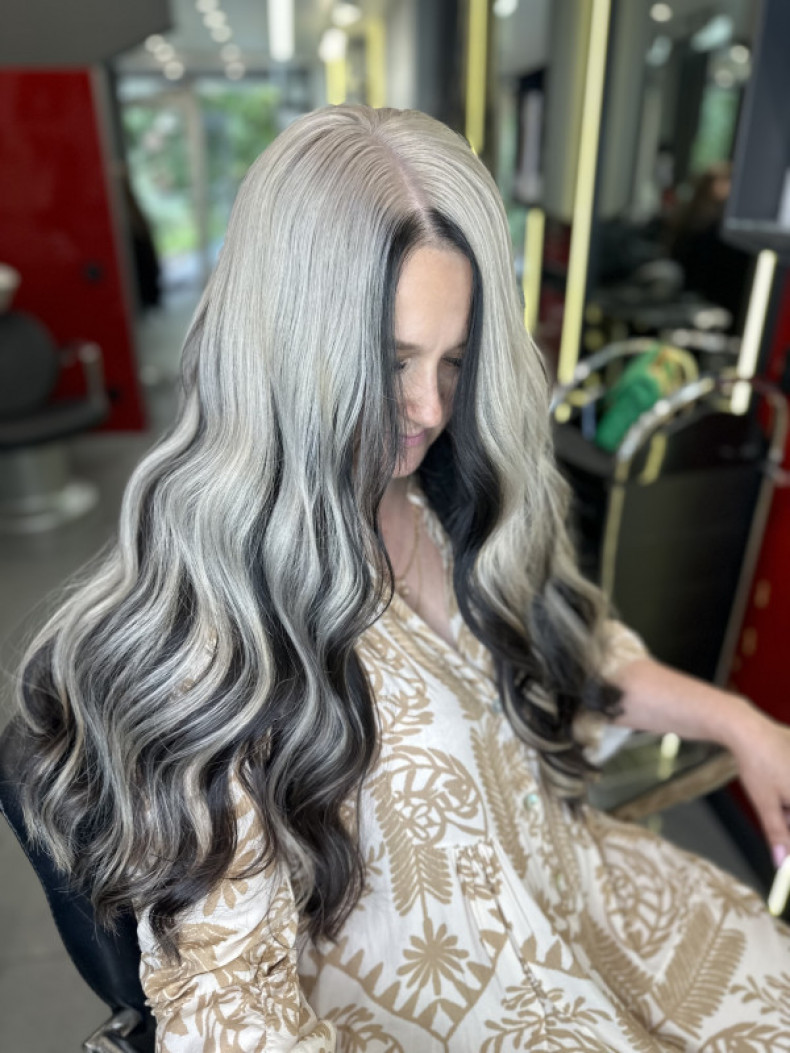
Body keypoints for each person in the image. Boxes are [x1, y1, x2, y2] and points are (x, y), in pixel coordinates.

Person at [13, 105, 790, 1051]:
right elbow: (230, 1004)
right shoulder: (221, 631)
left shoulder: (447, 503)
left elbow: (577, 658)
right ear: (286, 347)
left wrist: (740, 721)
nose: (429, 408)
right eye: (389, 363)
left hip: (585, 903)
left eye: (454, 360)